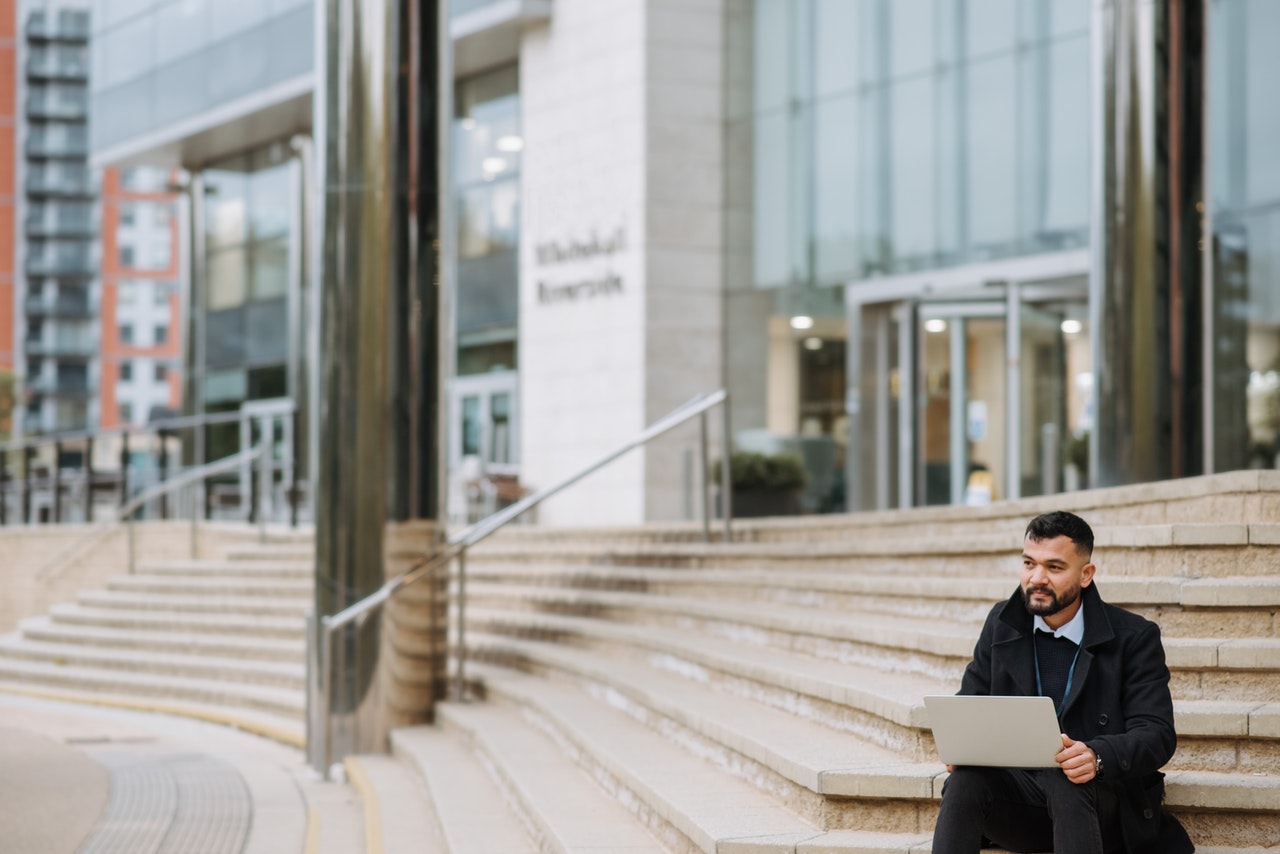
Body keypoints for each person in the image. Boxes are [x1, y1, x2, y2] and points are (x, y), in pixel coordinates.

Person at [931, 511, 1193, 854]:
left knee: (1066, 776)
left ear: (1086, 575)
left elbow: (1157, 733)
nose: (1037, 578)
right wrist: (962, 745)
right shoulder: (1002, 622)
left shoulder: (1134, 637)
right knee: (963, 782)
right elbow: (971, 701)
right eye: (1029, 564)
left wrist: (1097, 756)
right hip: (1021, 805)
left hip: (1101, 807)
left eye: (1054, 567)